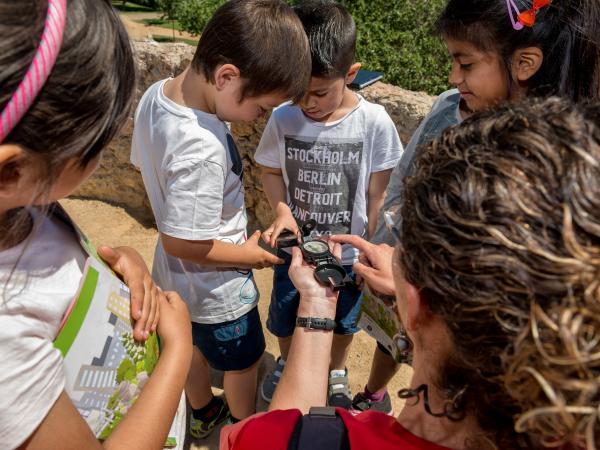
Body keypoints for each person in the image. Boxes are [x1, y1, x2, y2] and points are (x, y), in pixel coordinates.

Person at [221, 96, 600, 450]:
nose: (389, 250)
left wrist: (317, 307)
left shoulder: (273, 437)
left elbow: (289, 432)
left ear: (417, 303)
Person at [353, 0, 600, 416]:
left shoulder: (548, 168)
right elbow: (402, 186)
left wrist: (413, 285)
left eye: (465, 64)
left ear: (525, 63)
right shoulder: (454, 111)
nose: (453, 78)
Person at [0, 1, 193, 449]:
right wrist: (179, 352)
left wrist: (117, 266)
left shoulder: (20, 201)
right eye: (96, 145)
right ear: (12, 170)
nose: (104, 155)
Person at [130, 0, 312, 438]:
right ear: (227, 77)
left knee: (187, 345)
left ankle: (203, 411)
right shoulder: (203, 148)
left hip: (171, 281)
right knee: (244, 362)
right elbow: (182, 243)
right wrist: (247, 254)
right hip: (220, 293)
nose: (261, 116)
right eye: (263, 106)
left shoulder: (159, 95)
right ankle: (241, 427)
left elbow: (153, 182)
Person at [256, 0, 403, 408]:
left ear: (350, 74)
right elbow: (270, 170)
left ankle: (335, 370)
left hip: (348, 255)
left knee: (344, 321)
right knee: (286, 313)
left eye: (320, 92)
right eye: (299, 92)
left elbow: (378, 194)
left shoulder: (373, 122)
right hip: (296, 252)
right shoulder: (284, 119)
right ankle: (290, 364)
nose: (309, 104)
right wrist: (282, 211)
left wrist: (367, 248)